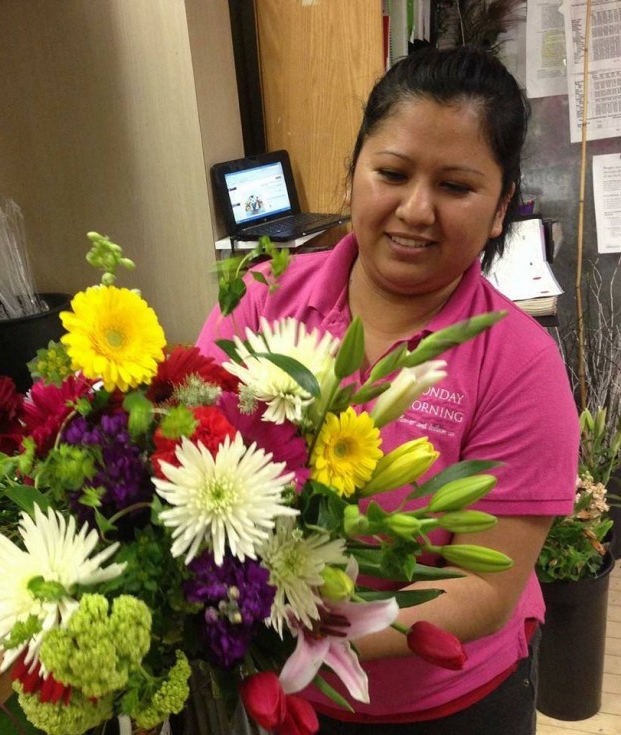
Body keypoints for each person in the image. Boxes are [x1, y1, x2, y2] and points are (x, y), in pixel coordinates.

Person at [196, 45, 579, 735]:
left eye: (456, 186)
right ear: (350, 177)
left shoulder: (519, 362)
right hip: (297, 702)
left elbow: (486, 587)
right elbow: (190, 448)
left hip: (449, 705)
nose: (415, 209)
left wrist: (290, 634)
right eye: (392, 173)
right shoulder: (261, 300)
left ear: (499, 209)